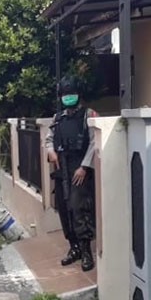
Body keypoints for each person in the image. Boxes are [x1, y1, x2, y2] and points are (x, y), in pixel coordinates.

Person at [45, 76, 98, 272]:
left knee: (79, 208)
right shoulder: (57, 118)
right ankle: (73, 248)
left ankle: (86, 252)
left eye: (71, 94)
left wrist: (84, 167)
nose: (68, 98)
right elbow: (49, 138)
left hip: (79, 168)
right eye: (65, 95)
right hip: (62, 168)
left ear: (78, 94)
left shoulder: (89, 114)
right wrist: (50, 150)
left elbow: (94, 142)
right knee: (64, 208)